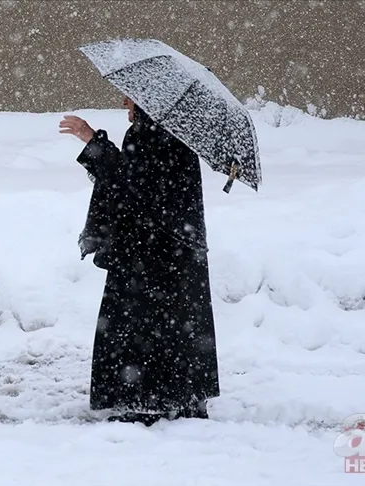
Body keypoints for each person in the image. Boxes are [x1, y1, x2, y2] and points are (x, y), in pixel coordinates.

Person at [59, 96, 220, 426]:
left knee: (142, 326)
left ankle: (146, 396)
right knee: (174, 326)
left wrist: (94, 142)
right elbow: (137, 182)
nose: (124, 104)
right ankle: (179, 395)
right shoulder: (172, 134)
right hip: (171, 252)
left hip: (151, 254)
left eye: (131, 99)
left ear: (150, 102)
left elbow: (130, 185)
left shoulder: (153, 135)